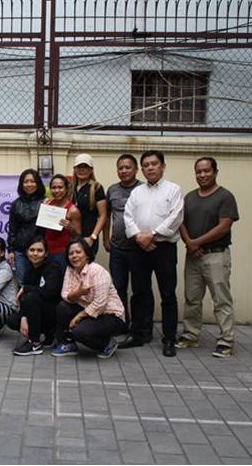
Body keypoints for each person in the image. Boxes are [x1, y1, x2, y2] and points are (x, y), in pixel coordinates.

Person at [121, 150, 184, 357]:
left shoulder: (173, 190)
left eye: (154, 164)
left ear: (162, 166)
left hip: (163, 248)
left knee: (167, 294)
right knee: (139, 292)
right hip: (139, 247)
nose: (150, 168)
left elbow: (176, 218)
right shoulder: (137, 192)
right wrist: (140, 236)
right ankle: (140, 333)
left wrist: (154, 235)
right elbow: (128, 216)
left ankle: (169, 339)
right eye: (146, 165)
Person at [177, 157, 239, 358]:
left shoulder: (225, 196)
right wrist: (190, 243)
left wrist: (197, 242)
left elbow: (224, 226)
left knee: (221, 299)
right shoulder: (189, 197)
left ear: (215, 172)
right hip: (193, 256)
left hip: (216, 256)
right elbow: (181, 222)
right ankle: (191, 335)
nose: (202, 175)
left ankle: (226, 341)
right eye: (198, 172)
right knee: (192, 298)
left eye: (206, 171)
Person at [52, 239, 125, 358]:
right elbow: (65, 295)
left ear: (87, 255)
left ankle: (107, 344)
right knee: (62, 307)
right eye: (71, 253)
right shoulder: (70, 269)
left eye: (78, 252)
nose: (74, 256)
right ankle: (68, 343)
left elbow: (100, 304)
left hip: (109, 315)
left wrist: (79, 316)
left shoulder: (97, 271)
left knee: (80, 332)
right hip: (87, 310)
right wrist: (79, 292)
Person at [103, 154, 142, 327]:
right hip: (117, 248)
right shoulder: (112, 189)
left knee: (140, 290)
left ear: (136, 169)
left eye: (128, 167)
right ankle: (122, 323)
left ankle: (139, 326)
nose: (124, 171)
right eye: (121, 168)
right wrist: (105, 238)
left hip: (139, 248)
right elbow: (107, 216)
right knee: (118, 288)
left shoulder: (144, 188)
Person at [12, 236, 66, 356]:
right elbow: (24, 297)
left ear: (46, 253)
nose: (35, 253)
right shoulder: (29, 270)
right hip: (38, 309)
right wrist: (24, 317)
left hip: (55, 312)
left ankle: (35, 343)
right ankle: (48, 335)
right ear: (27, 252)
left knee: (31, 297)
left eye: (39, 250)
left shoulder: (53, 266)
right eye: (32, 250)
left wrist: (26, 288)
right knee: (13, 320)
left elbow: (49, 292)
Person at [7, 169, 45, 284]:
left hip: (40, 250)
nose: (29, 184)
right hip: (20, 250)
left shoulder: (46, 202)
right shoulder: (15, 204)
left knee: (40, 283)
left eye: (33, 181)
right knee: (23, 284)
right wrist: (11, 250)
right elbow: (12, 229)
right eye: (26, 181)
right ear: (21, 184)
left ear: (38, 183)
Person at [71, 154, 107, 257]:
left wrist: (93, 237)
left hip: (88, 237)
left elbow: (103, 215)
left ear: (91, 170)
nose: (82, 170)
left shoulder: (96, 188)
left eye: (85, 167)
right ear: (74, 169)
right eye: (79, 167)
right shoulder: (70, 189)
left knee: (86, 269)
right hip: (72, 236)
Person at [43, 174, 82, 267]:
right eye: (54, 187)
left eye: (60, 187)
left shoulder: (73, 210)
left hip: (62, 252)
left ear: (66, 189)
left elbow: (79, 234)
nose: (57, 190)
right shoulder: (47, 204)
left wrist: (71, 227)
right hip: (46, 251)